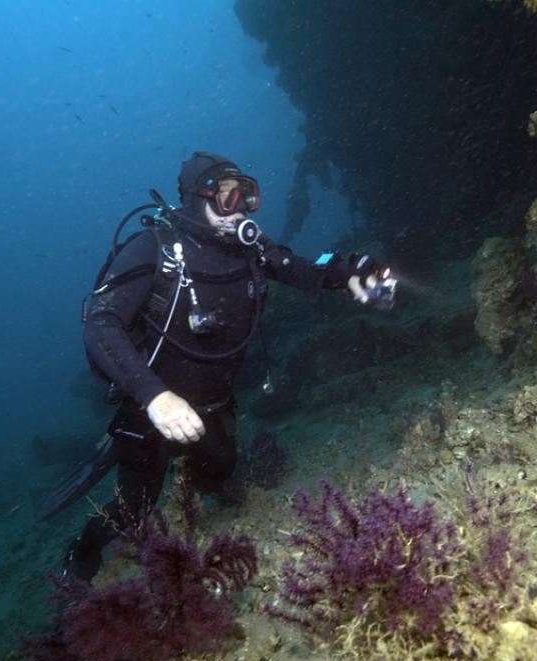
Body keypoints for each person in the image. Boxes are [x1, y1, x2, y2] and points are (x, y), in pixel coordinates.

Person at [60, 150, 395, 583]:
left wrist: (350, 273)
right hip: (151, 409)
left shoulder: (249, 247)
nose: (240, 209)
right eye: (227, 197)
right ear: (196, 198)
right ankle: (81, 553)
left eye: (246, 196)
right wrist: (154, 397)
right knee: (133, 508)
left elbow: (302, 270)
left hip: (214, 406)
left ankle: (195, 521)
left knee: (220, 475)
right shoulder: (153, 250)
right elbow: (101, 325)